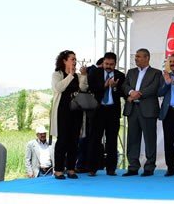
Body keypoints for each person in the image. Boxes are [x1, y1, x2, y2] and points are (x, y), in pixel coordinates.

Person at [122, 48, 162, 177]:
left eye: (139, 56)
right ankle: (133, 166)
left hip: (148, 109)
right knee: (133, 138)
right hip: (133, 109)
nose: (136, 58)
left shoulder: (156, 73)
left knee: (150, 139)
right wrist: (130, 92)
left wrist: (138, 94)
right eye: (136, 56)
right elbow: (125, 85)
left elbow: (154, 88)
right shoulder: (131, 72)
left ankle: (149, 167)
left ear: (147, 58)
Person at [51, 50, 88, 179]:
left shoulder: (77, 76)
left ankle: (71, 168)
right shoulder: (57, 74)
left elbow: (83, 88)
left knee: (74, 140)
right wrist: (70, 75)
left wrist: (83, 76)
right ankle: (58, 169)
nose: (75, 61)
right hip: (62, 111)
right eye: (72, 59)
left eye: (75, 59)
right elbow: (58, 88)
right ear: (64, 61)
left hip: (76, 111)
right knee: (62, 140)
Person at [87, 52, 125, 176]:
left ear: (115, 64)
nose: (108, 66)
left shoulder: (120, 76)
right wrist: (105, 85)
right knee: (95, 140)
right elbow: (92, 88)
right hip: (98, 111)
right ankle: (92, 168)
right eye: (106, 64)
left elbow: (122, 93)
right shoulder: (95, 73)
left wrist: (114, 87)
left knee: (112, 141)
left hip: (113, 111)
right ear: (103, 63)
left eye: (111, 64)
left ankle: (111, 169)